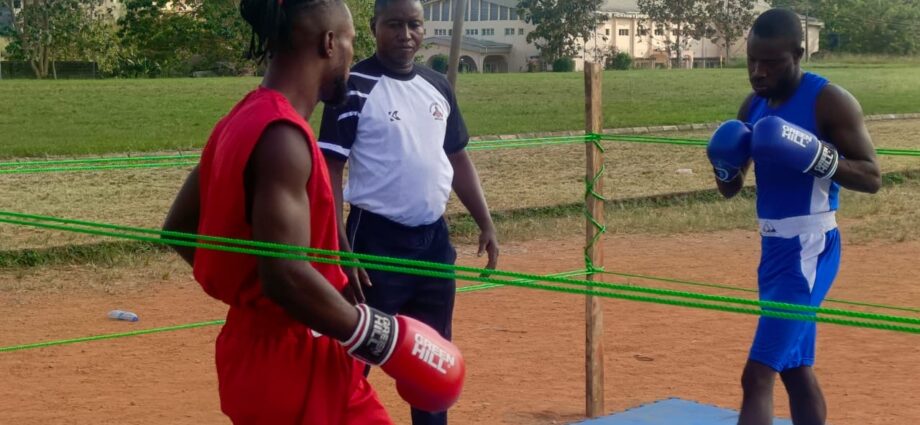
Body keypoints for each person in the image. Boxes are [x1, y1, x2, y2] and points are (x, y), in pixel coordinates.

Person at [162, 1, 464, 423]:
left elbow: (179, 228)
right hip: (294, 363)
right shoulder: (283, 136)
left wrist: (252, 294)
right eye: (351, 42)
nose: (351, 57)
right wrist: (384, 339)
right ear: (329, 43)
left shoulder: (239, 118)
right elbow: (285, 274)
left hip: (267, 350)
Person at [318, 0, 497, 423]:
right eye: (394, 24)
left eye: (414, 24)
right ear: (373, 27)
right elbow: (330, 169)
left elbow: (456, 156)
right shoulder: (352, 86)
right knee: (355, 357)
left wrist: (485, 222)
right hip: (374, 244)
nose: (405, 35)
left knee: (432, 366)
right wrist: (342, 249)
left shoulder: (438, 85)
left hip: (434, 244)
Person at [706, 8, 881, 425]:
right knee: (795, 370)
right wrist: (723, 165)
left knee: (757, 376)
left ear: (799, 54)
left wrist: (817, 156)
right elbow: (731, 189)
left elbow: (872, 177)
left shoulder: (829, 101)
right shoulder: (753, 105)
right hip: (773, 249)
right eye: (752, 60)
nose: (758, 72)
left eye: (771, 62)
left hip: (811, 248)